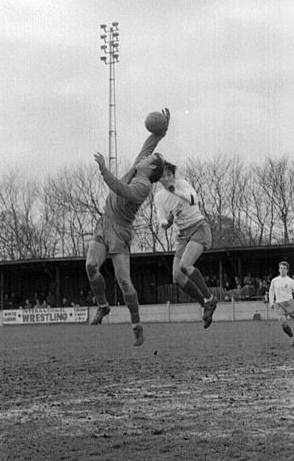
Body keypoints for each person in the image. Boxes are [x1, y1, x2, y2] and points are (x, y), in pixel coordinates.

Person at [87, 108, 170, 346]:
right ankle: (103, 306)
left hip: (120, 231)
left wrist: (104, 170)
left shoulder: (143, 186)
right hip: (105, 223)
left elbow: (120, 190)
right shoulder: (141, 166)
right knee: (91, 266)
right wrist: (160, 133)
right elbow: (148, 148)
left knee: (124, 281)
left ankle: (137, 325)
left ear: (151, 169)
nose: (143, 158)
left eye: (148, 160)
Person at [154, 160, 218, 328]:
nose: (167, 178)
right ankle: (205, 305)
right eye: (163, 176)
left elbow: (193, 199)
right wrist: (165, 223)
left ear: (174, 176)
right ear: (159, 179)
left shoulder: (181, 184)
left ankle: (210, 298)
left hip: (199, 228)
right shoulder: (159, 197)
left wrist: (175, 191)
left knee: (185, 265)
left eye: (170, 175)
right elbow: (161, 218)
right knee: (177, 276)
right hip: (183, 235)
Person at [268, 261, 294, 346]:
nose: (282, 270)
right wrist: (271, 302)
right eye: (281, 268)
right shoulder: (274, 280)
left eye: (284, 268)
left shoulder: (291, 281)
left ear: (287, 270)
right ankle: (293, 337)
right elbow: (271, 292)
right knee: (283, 322)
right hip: (279, 304)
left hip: (290, 303)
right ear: (279, 269)